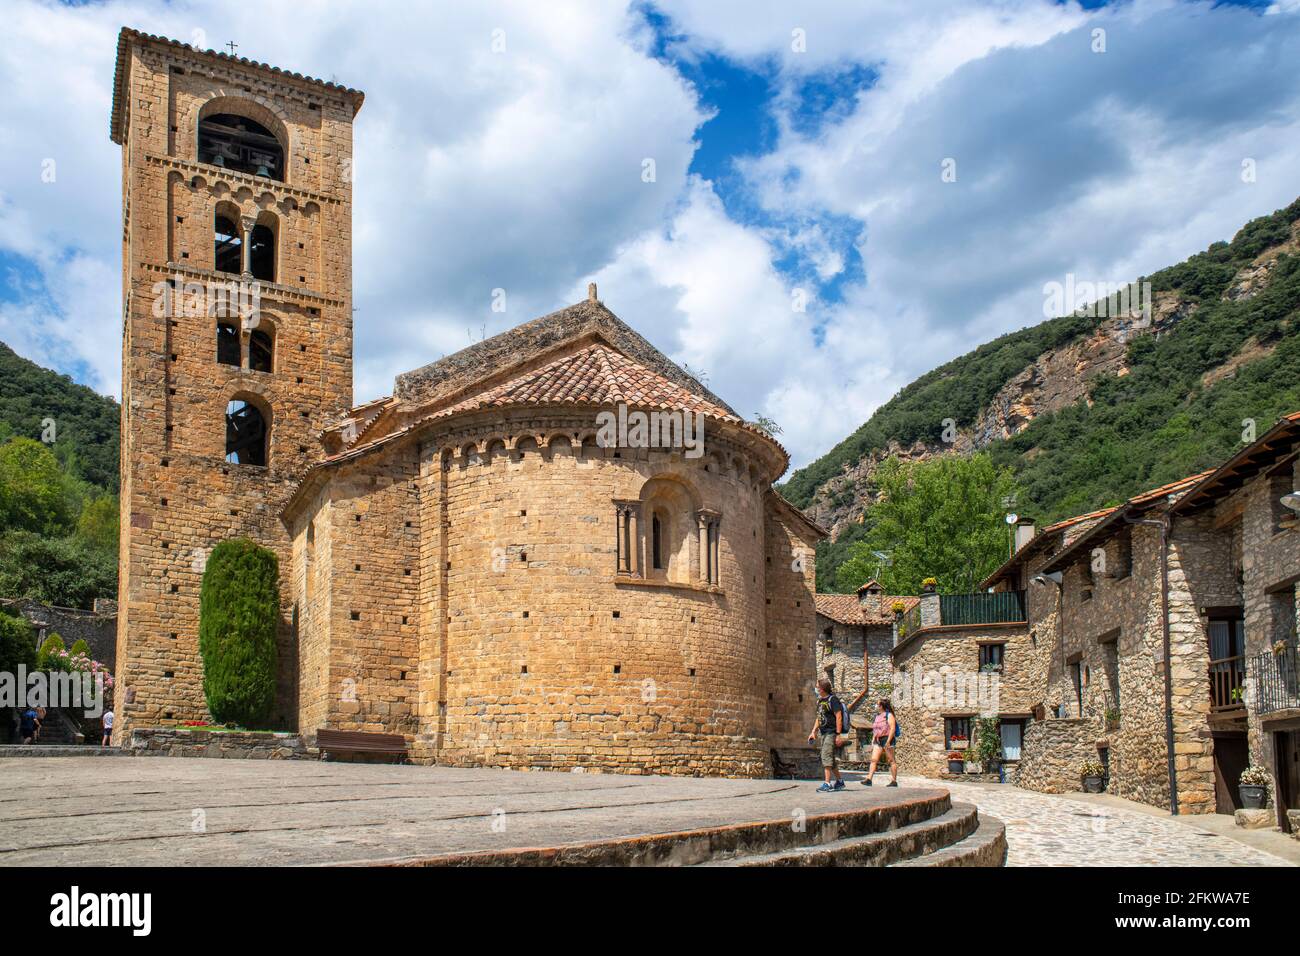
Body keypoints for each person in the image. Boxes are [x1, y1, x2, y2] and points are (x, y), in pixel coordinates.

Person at [807, 678, 846, 792]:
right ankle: (839, 781)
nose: (816, 688)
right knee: (830, 759)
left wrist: (838, 734)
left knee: (825, 756)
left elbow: (839, 716)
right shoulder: (820, 701)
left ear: (823, 688)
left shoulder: (833, 700)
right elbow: (819, 718)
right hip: (823, 733)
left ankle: (827, 783)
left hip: (831, 732)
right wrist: (813, 731)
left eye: (818, 686)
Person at [863, 698, 898, 787]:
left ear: (881, 706)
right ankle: (869, 779)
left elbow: (892, 728)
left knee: (891, 760)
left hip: (887, 739)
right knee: (874, 759)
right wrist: (873, 739)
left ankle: (894, 781)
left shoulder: (889, 715)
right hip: (878, 740)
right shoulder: (877, 716)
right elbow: (876, 729)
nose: (876, 706)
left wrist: (888, 741)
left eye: (877, 704)